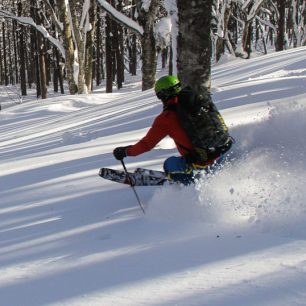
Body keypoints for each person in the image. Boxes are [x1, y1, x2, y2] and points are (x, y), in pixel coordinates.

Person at [113, 75, 232, 185]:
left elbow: (146, 144)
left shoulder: (166, 118)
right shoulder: (199, 100)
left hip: (203, 164)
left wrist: (126, 152)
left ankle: (188, 183)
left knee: (169, 164)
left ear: (161, 95)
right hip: (225, 151)